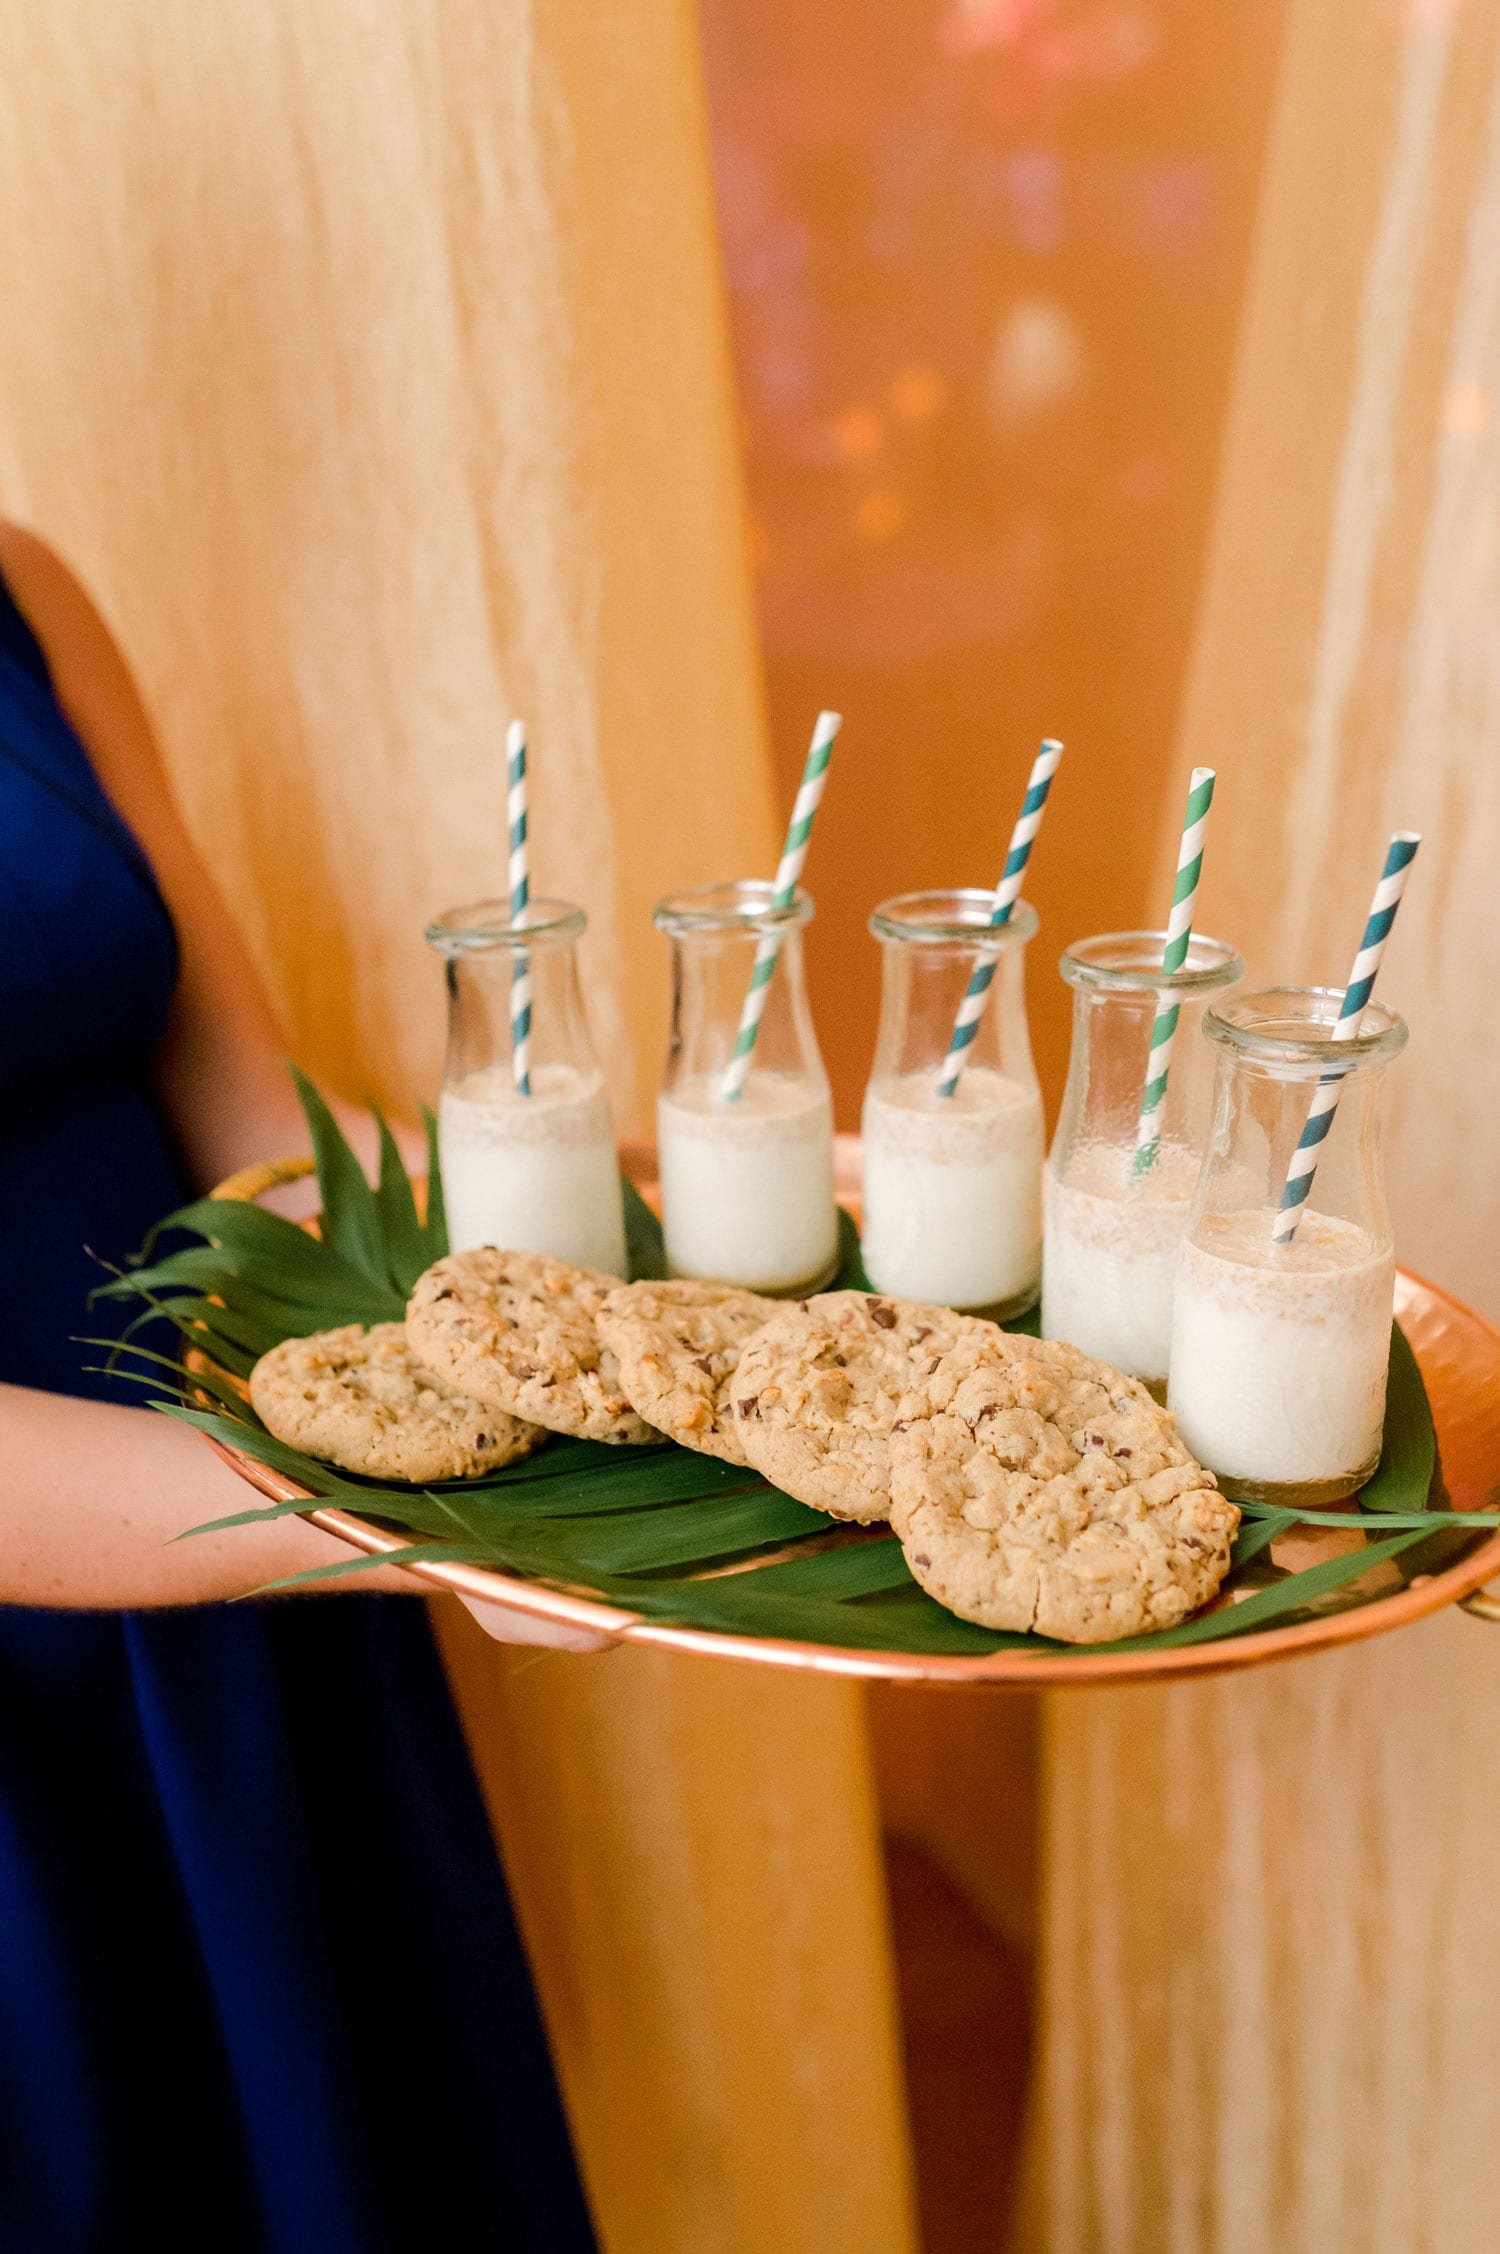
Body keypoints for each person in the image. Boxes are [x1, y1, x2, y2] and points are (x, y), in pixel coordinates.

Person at [0, 523, 597, 2251]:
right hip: (202, 1561)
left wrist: (597, 1292)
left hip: (260, 1608)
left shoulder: (26, 587)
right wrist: (367, 1520)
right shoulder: (338, 1518)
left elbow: (259, 1134)